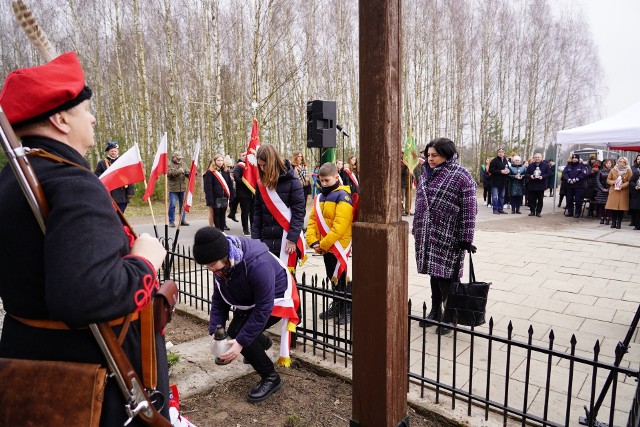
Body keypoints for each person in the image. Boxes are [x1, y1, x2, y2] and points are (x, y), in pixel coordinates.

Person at [0, 52, 170, 425]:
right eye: (85, 109)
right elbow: (84, 296)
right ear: (61, 119)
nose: (92, 118)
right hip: (90, 379)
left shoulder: (9, 181)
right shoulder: (74, 184)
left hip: (30, 364)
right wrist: (144, 260)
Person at [192, 227, 300, 403]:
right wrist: (215, 329)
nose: (209, 269)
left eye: (211, 265)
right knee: (238, 334)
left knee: (242, 337)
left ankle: (271, 378)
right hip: (251, 299)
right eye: (206, 265)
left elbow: (264, 308)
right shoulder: (222, 265)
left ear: (225, 257)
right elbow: (219, 298)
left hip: (278, 298)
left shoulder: (258, 265)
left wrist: (242, 343)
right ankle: (262, 342)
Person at [413, 137, 477, 334]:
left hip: (450, 236)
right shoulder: (426, 174)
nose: (430, 159)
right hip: (427, 233)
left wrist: (466, 238)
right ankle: (436, 311)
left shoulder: (462, 175)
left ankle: (451, 315)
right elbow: (420, 203)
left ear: (447, 155)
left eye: (435, 155)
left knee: (447, 277)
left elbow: (469, 209)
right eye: (428, 155)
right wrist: (416, 227)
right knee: (433, 274)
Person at [306, 162, 354, 324]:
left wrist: (323, 244)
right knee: (331, 276)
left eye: (327, 180)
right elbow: (312, 221)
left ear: (336, 177)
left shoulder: (343, 196)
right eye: (322, 180)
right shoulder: (319, 196)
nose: (324, 183)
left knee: (341, 276)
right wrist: (313, 242)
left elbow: (339, 227)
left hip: (338, 245)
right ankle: (338, 304)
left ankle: (348, 306)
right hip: (325, 246)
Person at [252, 144, 306, 273]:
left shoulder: (293, 182)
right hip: (266, 239)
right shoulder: (261, 184)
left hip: (286, 240)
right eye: (260, 166)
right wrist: (255, 240)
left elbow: (299, 213)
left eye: (265, 165)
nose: (262, 169)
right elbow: (257, 214)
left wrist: (292, 239)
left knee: (286, 279)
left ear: (273, 162)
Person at [94, 140, 135, 212]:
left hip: (121, 194)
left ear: (118, 151)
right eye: (111, 151)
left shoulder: (123, 162)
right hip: (109, 194)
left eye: (115, 151)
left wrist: (130, 192)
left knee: (121, 214)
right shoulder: (102, 163)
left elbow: (129, 177)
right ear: (108, 152)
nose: (113, 152)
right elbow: (97, 175)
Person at [203, 154, 234, 231]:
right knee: (216, 214)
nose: (220, 162)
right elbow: (208, 187)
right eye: (218, 160)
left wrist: (231, 196)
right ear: (215, 161)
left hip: (224, 196)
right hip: (215, 197)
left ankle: (222, 230)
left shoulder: (226, 171)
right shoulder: (210, 172)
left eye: (221, 160)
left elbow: (229, 185)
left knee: (223, 214)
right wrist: (210, 199)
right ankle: (217, 231)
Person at [231, 151, 255, 236]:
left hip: (253, 193)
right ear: (240, 157)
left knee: (253, 212)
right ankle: (245, 229)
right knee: (245, 211)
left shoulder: (252, 166)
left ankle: (253, 227)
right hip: (243, 194)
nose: (245, 157)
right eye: (243, 155)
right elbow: (237, 178)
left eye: (246, 155)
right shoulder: (238, 167)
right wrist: (248, 182)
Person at [605, 157, 633, 229]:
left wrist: (622, 185)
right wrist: (614, 182)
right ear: (618, 162)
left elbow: (630, 181)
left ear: (626, 163)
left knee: (621, 208)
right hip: (614, 190)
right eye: (620, 161)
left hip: (623, 191)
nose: (622, 163)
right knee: (613, 207)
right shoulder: (613, 170)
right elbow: (608, 179)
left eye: (624, 162)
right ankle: (613, 222)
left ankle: (619, 223)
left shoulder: (629, 170)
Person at [525, 153, 551, 217]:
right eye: (536, 157)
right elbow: (526, 174)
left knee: (540, 200)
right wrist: (530, 176)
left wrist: (542, 177)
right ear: (534, 158)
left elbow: (549, 173)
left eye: (538, 157)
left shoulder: (546, 165)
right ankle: (532, 211)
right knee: (531, 199)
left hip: (541, 185)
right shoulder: (530, 165)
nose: (537, 158)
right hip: (532, 185)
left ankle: (538, 212)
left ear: (541, 158)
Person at [168, 151, 190, 227]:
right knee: (172, 205)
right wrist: (179, 171)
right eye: (178, 158)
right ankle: (171, 221)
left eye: (180, 158)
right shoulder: (169, 164)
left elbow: (187, 171)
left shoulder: (183, 164)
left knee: (182, 205)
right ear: (173, 157)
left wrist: (189, 174)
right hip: (173, 188)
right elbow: (169, 174)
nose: (179, 159)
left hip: (182, 188)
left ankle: (182, 220)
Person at [562, 154, 588, 218]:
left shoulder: (582, 166)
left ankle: (577, 212)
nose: (574, 159)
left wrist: (576, 179)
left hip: (578, 186)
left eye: (576, 158)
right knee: (569, 199)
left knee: (578, 200)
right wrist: (568, 179)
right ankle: (570, 212)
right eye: (573, 158)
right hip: (569, 185)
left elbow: (583, 174)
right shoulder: (568, 166)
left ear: (578, 159)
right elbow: (564, 173)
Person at [488, 148, 509, 214]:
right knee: (495, 196)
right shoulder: (494, 161)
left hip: (503, 181)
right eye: (499, 152)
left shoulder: (505, 160)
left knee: (502, 196)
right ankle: (495, 209)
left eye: (502, 152)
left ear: (504, 153)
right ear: (497, 153)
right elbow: (491, 170)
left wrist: (508, 171)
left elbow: (507, 168)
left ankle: (500, 209)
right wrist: (500, 171)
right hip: (495, 182)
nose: (501, 153)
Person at [595, 158, 613, 225]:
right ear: (605, 164)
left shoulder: (612, 171)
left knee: (609, 205)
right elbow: (597, 180)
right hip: (601, 190)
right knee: (601, 205)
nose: (608, 164)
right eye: (607, 163)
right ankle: (602, 218)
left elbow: (613, 180)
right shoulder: (600, 171)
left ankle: (608, 218)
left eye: (610, 163)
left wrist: (609, 189)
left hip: (610, 190)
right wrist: (602, 188)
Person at [628, 155, 640, 229]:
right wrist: (635, 186)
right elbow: (631, 181)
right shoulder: (635, 172)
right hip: (636, 194)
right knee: (637, 210)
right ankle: (637, 225)